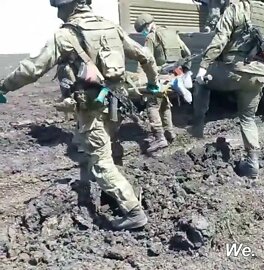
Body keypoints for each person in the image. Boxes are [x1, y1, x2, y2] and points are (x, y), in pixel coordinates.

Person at [0, 0, 161, 230]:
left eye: (60, 7)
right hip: (116, 103)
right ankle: (111, 192)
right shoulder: (110, 27)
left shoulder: (65, 36)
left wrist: (4, 86)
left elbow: (32, 69)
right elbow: (146, 56)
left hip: (93, 108)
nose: (57, 14)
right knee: (109, 145)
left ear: (73, 5)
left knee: (100, 161)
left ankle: (133, 211)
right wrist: (153, 83)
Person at [192, 0, 264, 179]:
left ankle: (197, 126)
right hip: (257, 75)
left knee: (201, 82)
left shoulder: (235, 8)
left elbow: (220, 39)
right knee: (248, 118)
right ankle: (252, 163)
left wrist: (204, 67)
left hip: (232, 71)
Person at [134, 13, 192, 153]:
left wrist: (139, 78)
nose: (143, 33)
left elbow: (145, 59)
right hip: (174, 75)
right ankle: (170, 133)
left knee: (152, 104)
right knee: (164, 103)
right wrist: (182, 72)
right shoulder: (172, 34)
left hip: (161, 76)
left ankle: (160, 138)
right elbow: (188, 54)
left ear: (146, 26)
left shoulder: (151, 37)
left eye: (142, 30)